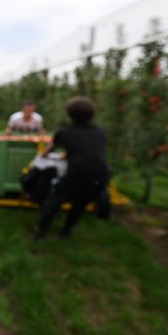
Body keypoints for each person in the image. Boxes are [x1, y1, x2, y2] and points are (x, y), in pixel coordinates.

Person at [33, 96, 109, 240]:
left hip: (77, 176)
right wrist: (69, 155)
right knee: (79, 205)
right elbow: (88, 150)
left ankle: (40, 233)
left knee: (53, 202)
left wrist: (43, 155)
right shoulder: (100, 132)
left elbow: (48, 151)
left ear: (69, 114)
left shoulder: (65, 132)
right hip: (100, 177)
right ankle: (66, 231)